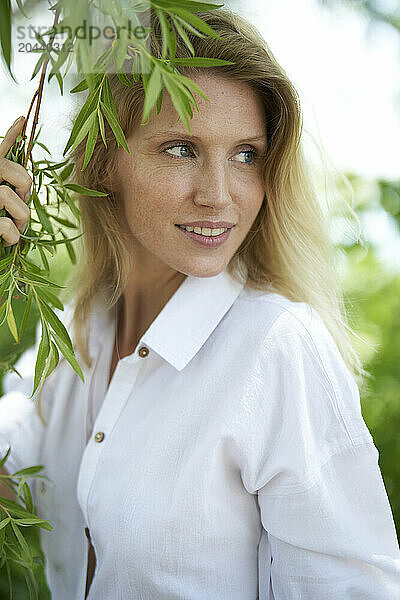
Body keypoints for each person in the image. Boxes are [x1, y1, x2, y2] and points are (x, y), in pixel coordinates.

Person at [0, 7, 399, 600]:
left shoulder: (277, 347)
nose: (219, 196)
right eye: (182, 148)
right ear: (104, 161)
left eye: (245, 155)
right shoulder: (76, 338)